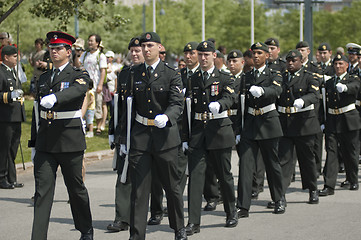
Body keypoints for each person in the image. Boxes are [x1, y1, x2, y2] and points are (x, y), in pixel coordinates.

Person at [119, 32, 186, 240]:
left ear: (160, 48)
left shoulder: (171, 73)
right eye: (144, 46)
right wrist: (122, 138)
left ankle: (178, 228)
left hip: (165, 137)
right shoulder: (133, 73)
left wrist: (167, 117)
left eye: (150, 46)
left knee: (171, 186)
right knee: (139, 189)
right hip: (140, 136)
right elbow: (127, 107)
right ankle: (136, 234)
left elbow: (177, 103)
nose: (146, 50)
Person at [29, 31, 93, 240]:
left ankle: (86, 229)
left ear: (68, 51)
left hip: (69, 140)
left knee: (76, 190)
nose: (54, 51)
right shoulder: (44, 77)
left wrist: (55, 98)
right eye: (51, 48)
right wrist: (34, 142)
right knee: (42, 193)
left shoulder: (79, 75)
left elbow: (76, 92)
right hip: (46, 142)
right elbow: (37, 112)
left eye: (58, 48)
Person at [182, 40, 238, 236]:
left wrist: (221, 104)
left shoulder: (224, 76)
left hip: (219, 130)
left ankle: (231, 212)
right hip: (198, 132)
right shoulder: (193, 78)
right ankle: (193, 222)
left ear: (214, 56)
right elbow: (187, 109)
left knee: (224, 175)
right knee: (196, 179)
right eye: (201, 55)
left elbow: (231, 96)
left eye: (207, 55)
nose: (203, 58)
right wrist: (184, 137)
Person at [236, 42, 285, 217]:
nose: (255, 56)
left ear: (266, 55)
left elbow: (277, 90)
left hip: (268, 122)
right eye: (253, 53)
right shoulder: (246, 76)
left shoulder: (274, 73)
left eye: (259, 53)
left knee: (272, 164)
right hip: (250, 124)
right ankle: (243, 205)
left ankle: (279, 199)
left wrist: (263, 91)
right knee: (246, 165)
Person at [107, 36, 144, 232]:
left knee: (152, 177)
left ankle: (155, 212)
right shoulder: (124, 73)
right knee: (124, 175)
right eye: (133, 50)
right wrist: (113, 130)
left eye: (139, 50)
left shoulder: (153, 73)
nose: (135, 53)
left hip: (147, 131)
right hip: (126, 131)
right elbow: (118, 106)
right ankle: (122, 217)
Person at [277, 50, 320, 204]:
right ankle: (280, 195)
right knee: (284, 161)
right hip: (286, 124)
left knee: (307, 159)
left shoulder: (309, 77)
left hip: (304, 124)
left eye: (294, 60)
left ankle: (313, 189)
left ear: (301, 61)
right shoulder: (281, 77)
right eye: (288, 61)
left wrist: (303, 100)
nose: (290, 63)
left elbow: (315, 95)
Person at [319, 54, 361, 196]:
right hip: (332, 120)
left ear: (347, 65)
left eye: (341, 63)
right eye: (336, 64)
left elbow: (355, 87)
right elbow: (324, 102)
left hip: (349, 120)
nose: (338, 66)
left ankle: (352, 179)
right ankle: (329, 185)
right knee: (331, 152)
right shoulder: (330, 82)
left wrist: (346, 88)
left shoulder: (353, 78)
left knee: (350, 152)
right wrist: (323, 121)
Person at [0, 45, 25, 189]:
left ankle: (11, 178)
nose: (17, 59)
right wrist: (9, 96)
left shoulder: (14, 72)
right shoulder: (1, 72)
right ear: (6, 57)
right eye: (14, 56)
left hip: (16, 116)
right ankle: (1, 177)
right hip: (5, 117)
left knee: (13, 148)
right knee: (4, 148)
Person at [80, 34, 107, 135]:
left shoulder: (101, 56)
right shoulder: (85, 54)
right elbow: (81, 66)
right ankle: (88, 125)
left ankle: (99, 126)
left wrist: (100, 85)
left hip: (96, 86)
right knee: (86, 106)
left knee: (98, 106)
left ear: (97, 43)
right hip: (86, 86)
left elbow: (103, 71)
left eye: (92, 41)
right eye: (89, 40)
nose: (89, 43)